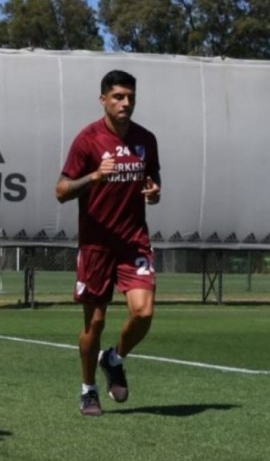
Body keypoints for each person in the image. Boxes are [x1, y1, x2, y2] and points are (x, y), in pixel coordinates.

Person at [55, 70, 161, 417]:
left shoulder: (146, 139)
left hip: (134, 242)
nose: (125, 103)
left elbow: (152, 182)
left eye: (130, 96)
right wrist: (95, 176)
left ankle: (113, 359)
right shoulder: (88, 140)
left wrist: (154, 192)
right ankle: (88, 390)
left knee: (143, 312)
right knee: (95, 323)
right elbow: (61, 191)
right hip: (96, 244)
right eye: (117, 96)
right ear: (103, 99)